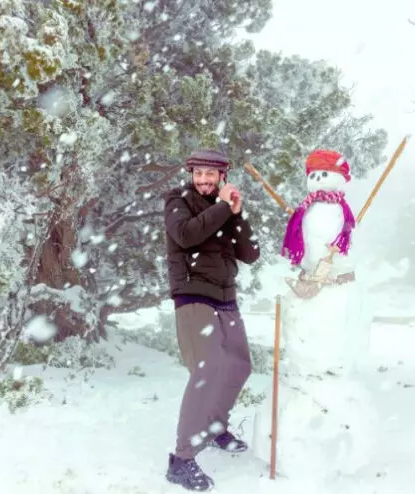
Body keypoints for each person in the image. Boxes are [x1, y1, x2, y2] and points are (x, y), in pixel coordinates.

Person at [162, 148, 260, 491]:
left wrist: (237, 213)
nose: (203, 179)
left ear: (222, 175)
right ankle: (182, 459)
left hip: (225, 296)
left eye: (210, 174)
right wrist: (221, 207)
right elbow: (187, 235)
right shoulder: (177, 202)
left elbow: (251, 253)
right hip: (192, 295)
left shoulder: (225, 209)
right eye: (198, 173)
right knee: (207, 368)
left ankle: (216, 427)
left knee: (238, 365)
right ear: (191, 175)